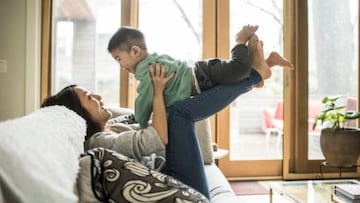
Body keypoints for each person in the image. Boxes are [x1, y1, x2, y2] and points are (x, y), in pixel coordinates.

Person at [41, 36, 274, 199]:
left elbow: (137, 117)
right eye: (90, 97)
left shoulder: (110, 126)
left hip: (173, 173)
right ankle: (254, 76)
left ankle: (254, 76)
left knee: (177, 108)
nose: (99, 96)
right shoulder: (99, 143)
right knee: (179, 113)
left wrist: (160, 88)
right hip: (177, 187)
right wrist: (158, 91)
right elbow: (158, 137)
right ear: (81, 114)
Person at [107, 25, 294, 128]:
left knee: (239, 69)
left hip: (203, 74)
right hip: (203, 79)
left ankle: (239, 40)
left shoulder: (147, 71)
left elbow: (143, 101)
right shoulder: (153, 60)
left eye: (119, 59)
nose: (121, 66)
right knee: (243, 80)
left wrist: (139, 120)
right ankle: (269, 62)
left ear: (135, 51)